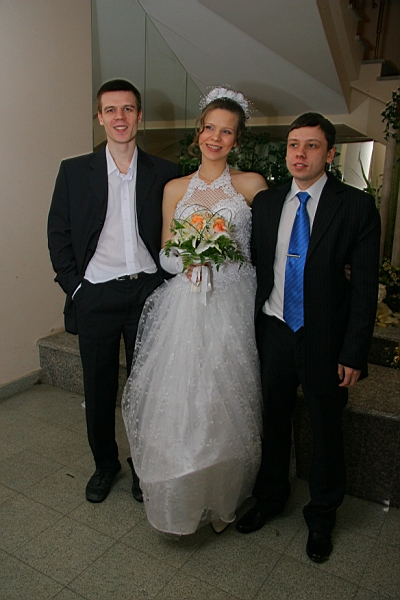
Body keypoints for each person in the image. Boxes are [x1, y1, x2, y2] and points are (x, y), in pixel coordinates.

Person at [122, 88, 268, 535]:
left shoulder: (251, 185)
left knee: (224, 400)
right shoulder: (175, 188)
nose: (215, 138)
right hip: (187, 302)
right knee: (185, 400)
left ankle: (223, 497)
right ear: (198, 132)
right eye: (209, 128)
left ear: (236, 140)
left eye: (226, 132)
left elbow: (264, 250)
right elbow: (165, 252)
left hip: (233, 301)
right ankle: (184, 496)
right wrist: (189, 258)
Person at [235, 113, 381, 563]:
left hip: (324, 339)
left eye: (312, 146)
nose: (300, 154)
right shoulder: (266, 203)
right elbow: (253, 265)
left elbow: (364, 288)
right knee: (273, 421)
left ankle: (322, 516)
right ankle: (271, 497)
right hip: (274, 329)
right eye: (294, 144)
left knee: (325, 428)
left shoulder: (355, 206)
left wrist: (354, 352)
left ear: (330, 153)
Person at [48, 79, 179, 503]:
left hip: (148, 295)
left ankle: (143, 466)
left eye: (127, 109)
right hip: (96, 296)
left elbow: (176, 233)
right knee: (99, 389)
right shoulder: (74, 171)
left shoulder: (166, 172)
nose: (119, 117)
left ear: (139, 116)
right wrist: (77, 289)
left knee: (146, 390)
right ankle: (105, 465)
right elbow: (58, 235)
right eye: (110, 110)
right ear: (100, 118)